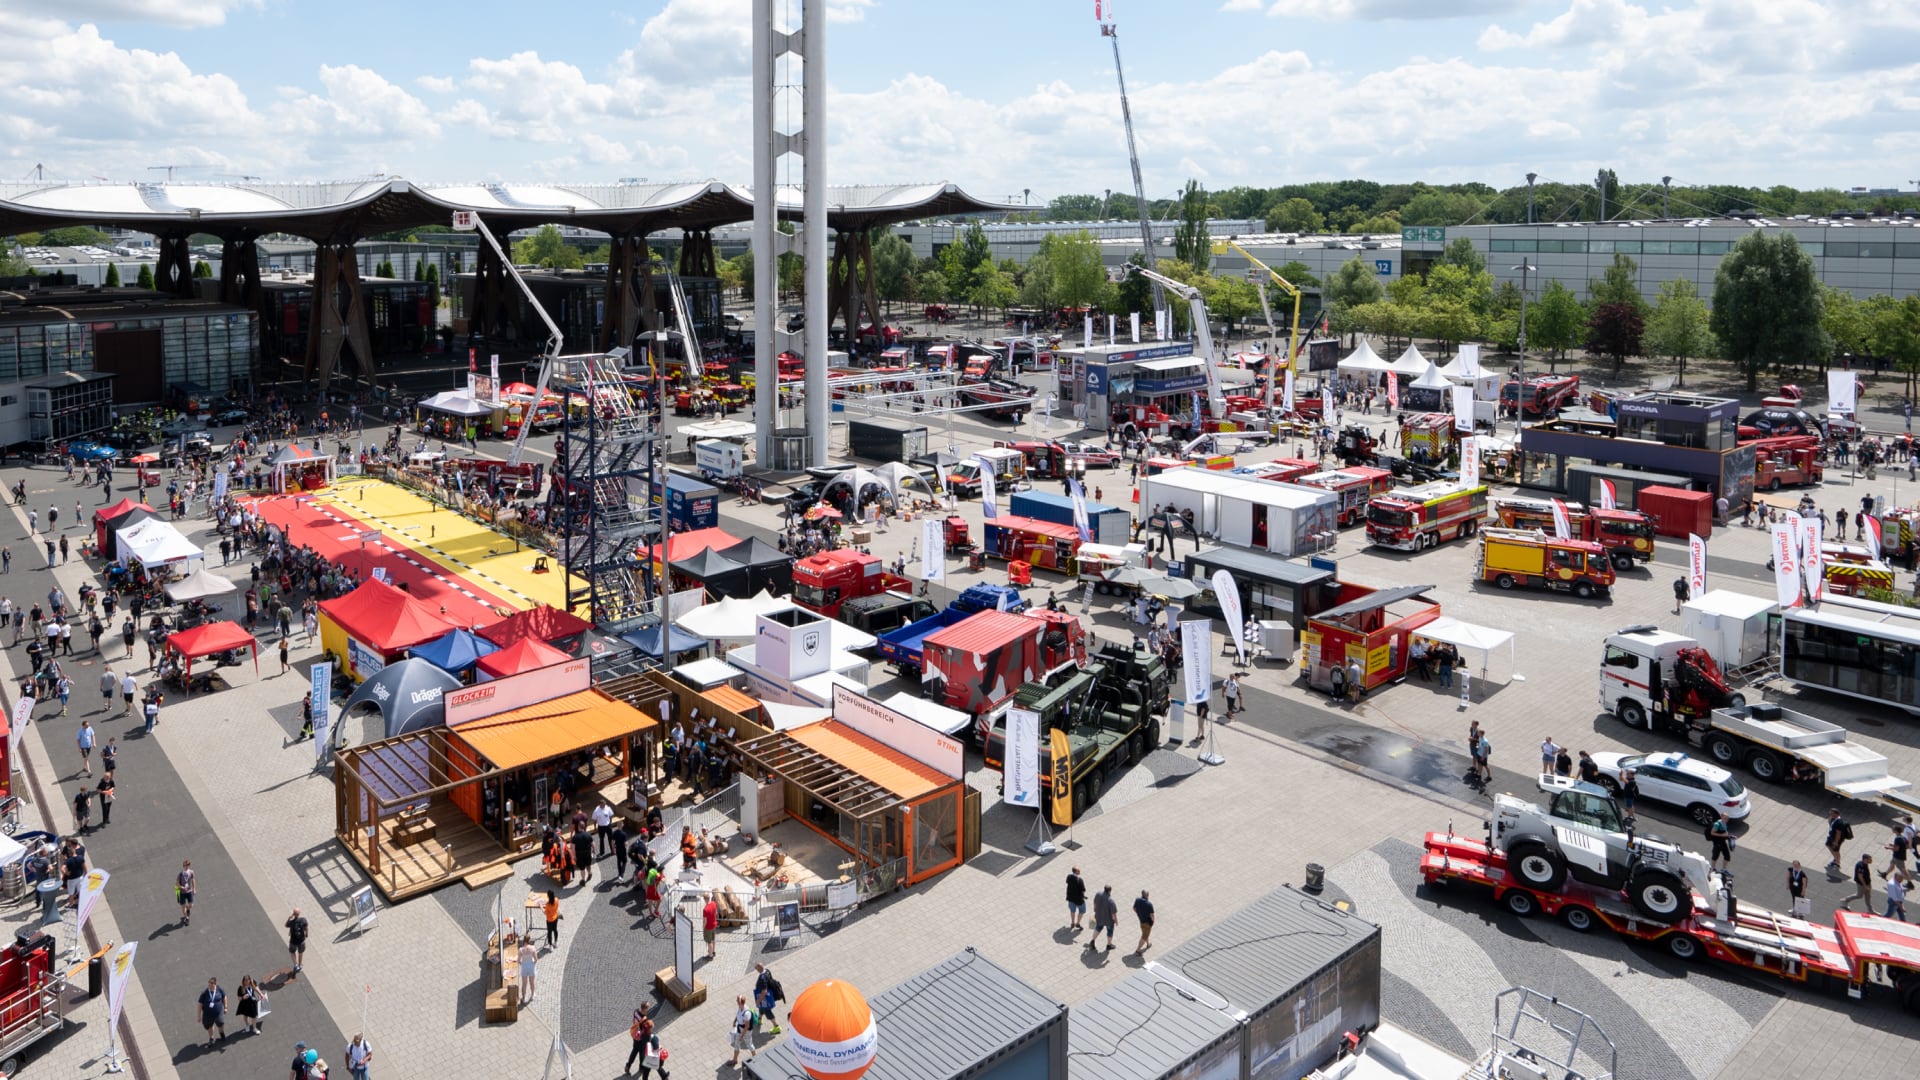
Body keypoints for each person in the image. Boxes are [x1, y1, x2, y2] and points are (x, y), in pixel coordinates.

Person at [753, 963, 785, 1035]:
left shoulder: (762, 978)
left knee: (767, 1011)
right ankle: (759, 1019)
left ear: (759, 968)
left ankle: (776, 1026)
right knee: (761, 1008)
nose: (756, 969)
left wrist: (758, 1000)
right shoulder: (767, 971)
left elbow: (764, 991)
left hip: (765, 997)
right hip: (767, 995)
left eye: (756, 968)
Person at [197, 977, 228, 1046]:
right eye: (209, 985)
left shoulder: (219, 989)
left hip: (218, 1013)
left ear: (215, 984)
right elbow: (199, 1004)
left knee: (220, 1024)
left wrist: (225, 1007)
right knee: (209, 1026)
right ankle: (211, 1038)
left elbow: (224, 996)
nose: (210, 986)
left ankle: (221, 1033)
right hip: (208, 1015)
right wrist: (199, 1016)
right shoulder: (204, 993)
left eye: (211, 985)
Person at [728, 993, 756, 1067]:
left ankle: (756, 1058)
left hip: (746, 1032)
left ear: (740, 1002)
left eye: (737, 1000)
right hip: (740, 1029)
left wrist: (742, 1036)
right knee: (737, 1044)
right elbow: (738, 1014)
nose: (736, 1001)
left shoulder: (747, 1013)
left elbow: (747, 1026)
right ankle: (735, 1060)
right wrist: (734, 1021)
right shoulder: (740, 1007)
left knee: (749, 1045)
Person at [626, 1008, 655, 1076]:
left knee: (634, 1051)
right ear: (644, 1009)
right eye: (647, 1009)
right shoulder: (644, 1019)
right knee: (641, 1054)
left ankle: (628, 1065)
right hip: (641, 1039)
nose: (647, 1010)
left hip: (635, 1036)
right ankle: (641, 1068)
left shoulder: (636, 1011)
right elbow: (645, 1029)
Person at [1090, 884, 1118, 952]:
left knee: (1098, 928)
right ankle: (1109, 945)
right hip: (1109, 920)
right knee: (1110, 932)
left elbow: (1094, 903)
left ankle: (1092, 940)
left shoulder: (1098, 894)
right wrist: (1116, 921)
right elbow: (1113, 913)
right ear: (1110, 891)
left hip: (1099, 916)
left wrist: (1094, 909)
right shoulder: (1111, 900)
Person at [1826, 809, 1853, 878]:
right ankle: (1835, 858)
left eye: (1831, 814)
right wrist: (1830, 818)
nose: (1830, 815)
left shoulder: (1839, 822)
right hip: (1831, 837)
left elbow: (1838, 834)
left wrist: (1836, 842)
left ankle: (1837, 863)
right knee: (1828, 845)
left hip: (1837, 839)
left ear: (1836, 814)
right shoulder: (1833, 819)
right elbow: (1829, 823)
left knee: (1836, 850)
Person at [286, 908, 309, 978]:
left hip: (293, 941)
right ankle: (299, 965)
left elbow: (286, 925)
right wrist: (307, 934)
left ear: (293, 914)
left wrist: (289, 918)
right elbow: (306, 927)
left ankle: (295, 964)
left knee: (292, 952)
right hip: (301, 940)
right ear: (299, 913)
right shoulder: (303, 920)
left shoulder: (291, 922)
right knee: (300, 953)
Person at [1132, 889, 1156, 955]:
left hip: (1141, 921)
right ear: (1147, 895)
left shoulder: (1137, 900)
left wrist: (1139, 914)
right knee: (1144, 936)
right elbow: (1152, 915)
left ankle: (1148, 944)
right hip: (1147, 923)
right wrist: (1153, 922)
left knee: (1145, 934)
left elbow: (1134, 908)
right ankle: (1138, 950)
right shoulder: (1149, 904)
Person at [177, 859, 196, 924]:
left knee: (191, 905)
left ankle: (187, 909)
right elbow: (177, 884)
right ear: (183, 866)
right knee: (183, 907)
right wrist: (182, 887)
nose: (186, 866)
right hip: (182, 892)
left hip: (189, 891)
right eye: (185, 865)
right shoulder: (180, 874)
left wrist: (194, 889)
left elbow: (193, 879)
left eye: (187, 865)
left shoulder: (191, 872)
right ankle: (186, 917)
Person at [702, 892, 720, 959]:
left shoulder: (705, 909)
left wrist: (703, 928)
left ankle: (710, 955)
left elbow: (705, 921)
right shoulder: (714, 903)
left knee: (709, 942)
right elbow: (716, 913)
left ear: (704, 899)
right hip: (714, 924)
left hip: (708, 927)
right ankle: (713, 951)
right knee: (713, 939)